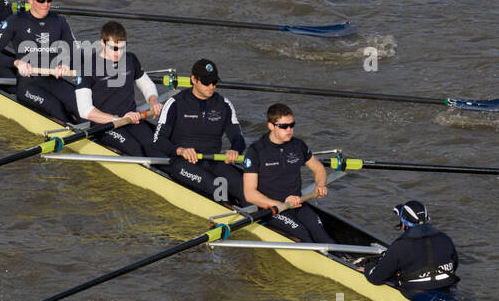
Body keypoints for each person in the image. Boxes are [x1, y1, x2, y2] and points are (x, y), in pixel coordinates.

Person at [152, 58, 246, 203]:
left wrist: (235, 150)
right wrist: (180, 150)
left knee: (245, 187)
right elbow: (159, 140)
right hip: (182, 162)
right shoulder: (175, 103)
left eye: (214, 82)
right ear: (193, 79)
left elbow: (238, 137)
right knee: (217, 187)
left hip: (213, 160)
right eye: (206, 82)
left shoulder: (224, 104)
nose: (211, 86)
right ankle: (228, 215)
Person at [0, 0, 80, 122]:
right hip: (28, 84)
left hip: (53, 78)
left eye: (49, 0)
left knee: (79, 104)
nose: (46, 5)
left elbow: (75, 51)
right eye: (41, 1)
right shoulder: (15, 21)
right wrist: (16, 63)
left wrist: (66, 64)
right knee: (57, 108)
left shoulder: (60, 21)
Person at [241, 103, 335, 243]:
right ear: (271, 126)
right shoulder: (256, 151)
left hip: (297, 202)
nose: (289, 130)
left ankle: (348, 262)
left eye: (292, 125)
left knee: (319, 231)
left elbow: (319, 169)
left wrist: (320, 185)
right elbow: (249, 194)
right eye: (284, 126)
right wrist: (279, 204)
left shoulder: (298, 145)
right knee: (302, 234)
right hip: (271, 208)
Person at [74, 21, 163, 155]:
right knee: (135, 150)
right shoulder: (87, 67)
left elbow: (147, 84)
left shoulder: (130, 59)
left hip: (132, 118)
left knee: (157, 146)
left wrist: (153, 101)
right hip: (105, 126)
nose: (119, 53)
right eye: (114, 48)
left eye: (122, 48)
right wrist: (117, 119)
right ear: (102, 43)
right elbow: (85, 111)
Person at [359, 200, 460, 292]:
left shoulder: (400, 245)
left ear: (404, 223)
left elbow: (376, 278)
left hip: (416, 292)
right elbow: (455, 264)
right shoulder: (445, 238)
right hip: (447, 285)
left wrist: (368, 268)